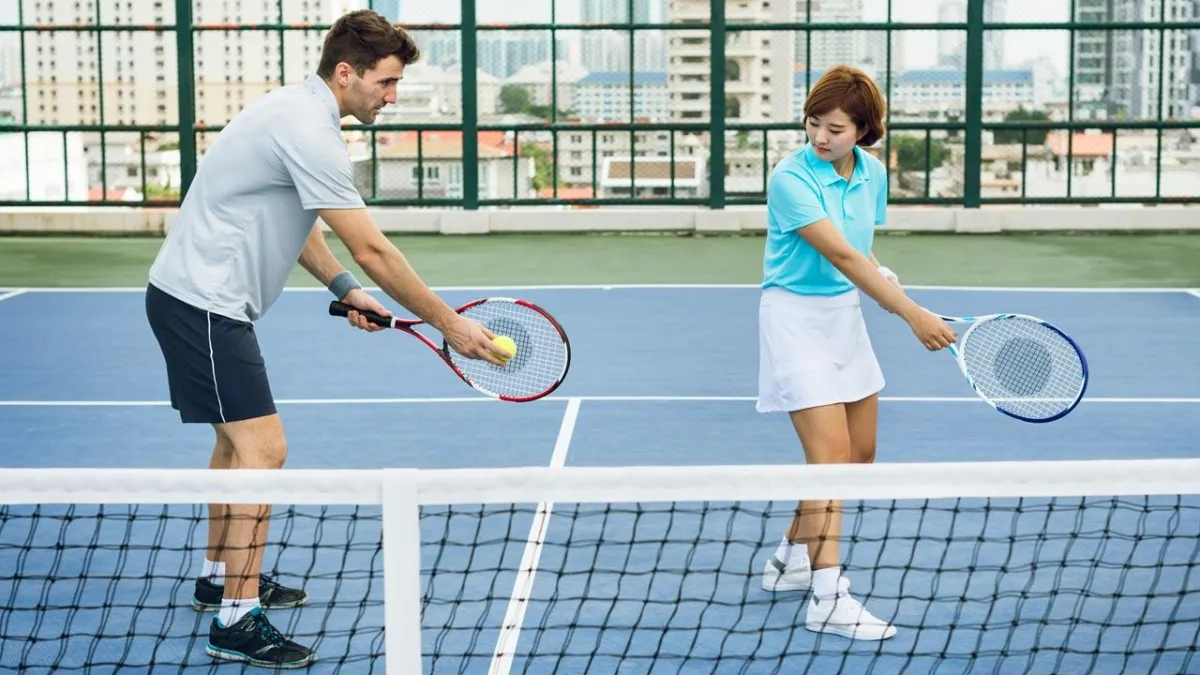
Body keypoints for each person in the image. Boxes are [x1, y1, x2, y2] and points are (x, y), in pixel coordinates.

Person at [144, 10, 510, 669]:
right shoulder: (310, 130)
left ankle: (218, 578)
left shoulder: (299, 113)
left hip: (192, 299)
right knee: (265, 449)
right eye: (387, 83)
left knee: (233, 446)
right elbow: (373, 247)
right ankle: (236, 618)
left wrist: (342, 287)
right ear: (347, 74)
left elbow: (303, 223)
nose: (392, 97)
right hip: (203, 303)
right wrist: (449, 323)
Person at [755, 65, 957, 641]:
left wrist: (883, 276)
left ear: (866, 131)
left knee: (860, 454)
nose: (820, 137)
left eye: (836, 128)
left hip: (842, 315)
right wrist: (910, 311)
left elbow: (860, 251)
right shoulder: (790, 178)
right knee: (832, 459)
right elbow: (841, 256)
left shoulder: (870, 174)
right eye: (813, 123)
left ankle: (789, 561)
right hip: (794, 319)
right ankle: (827, 596)